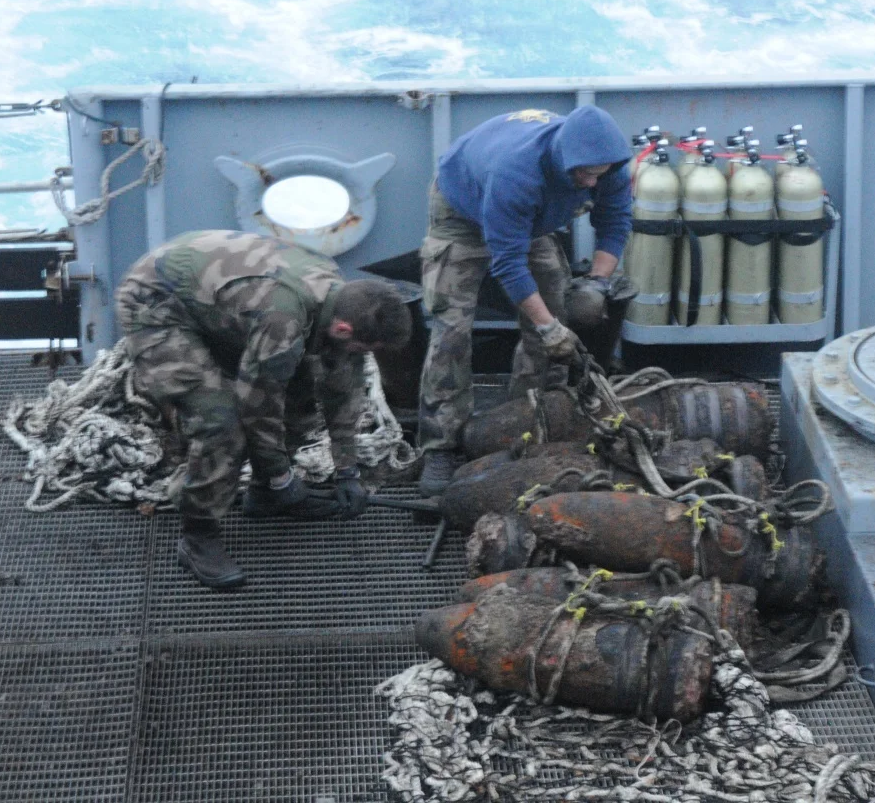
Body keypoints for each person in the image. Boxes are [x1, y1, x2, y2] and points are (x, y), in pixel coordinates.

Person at [116, 229, 413, 589]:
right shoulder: (283, 318)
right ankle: (198, 536)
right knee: (220, 424)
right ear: (343, 328)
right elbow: (257, 407)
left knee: (300, 392)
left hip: (219, 304)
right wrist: (283, 477)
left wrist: (348, 470)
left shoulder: (344, 299)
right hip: (158, 303)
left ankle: (265, 496)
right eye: (363, 347)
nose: (362, 356)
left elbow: (342, 387)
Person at [416, 105, 633, 497]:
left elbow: (615, 223)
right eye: (582, 174)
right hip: (463, 211)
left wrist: (597, 284)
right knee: (451, 331)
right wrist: (548, 327)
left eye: (597, 175)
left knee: (561, 313)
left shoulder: (608, 167)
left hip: (530, 220)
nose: (589, 183)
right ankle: (441, 445)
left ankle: (529, 420)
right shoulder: (517, 172)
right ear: (564, 159)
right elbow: (508, 264)